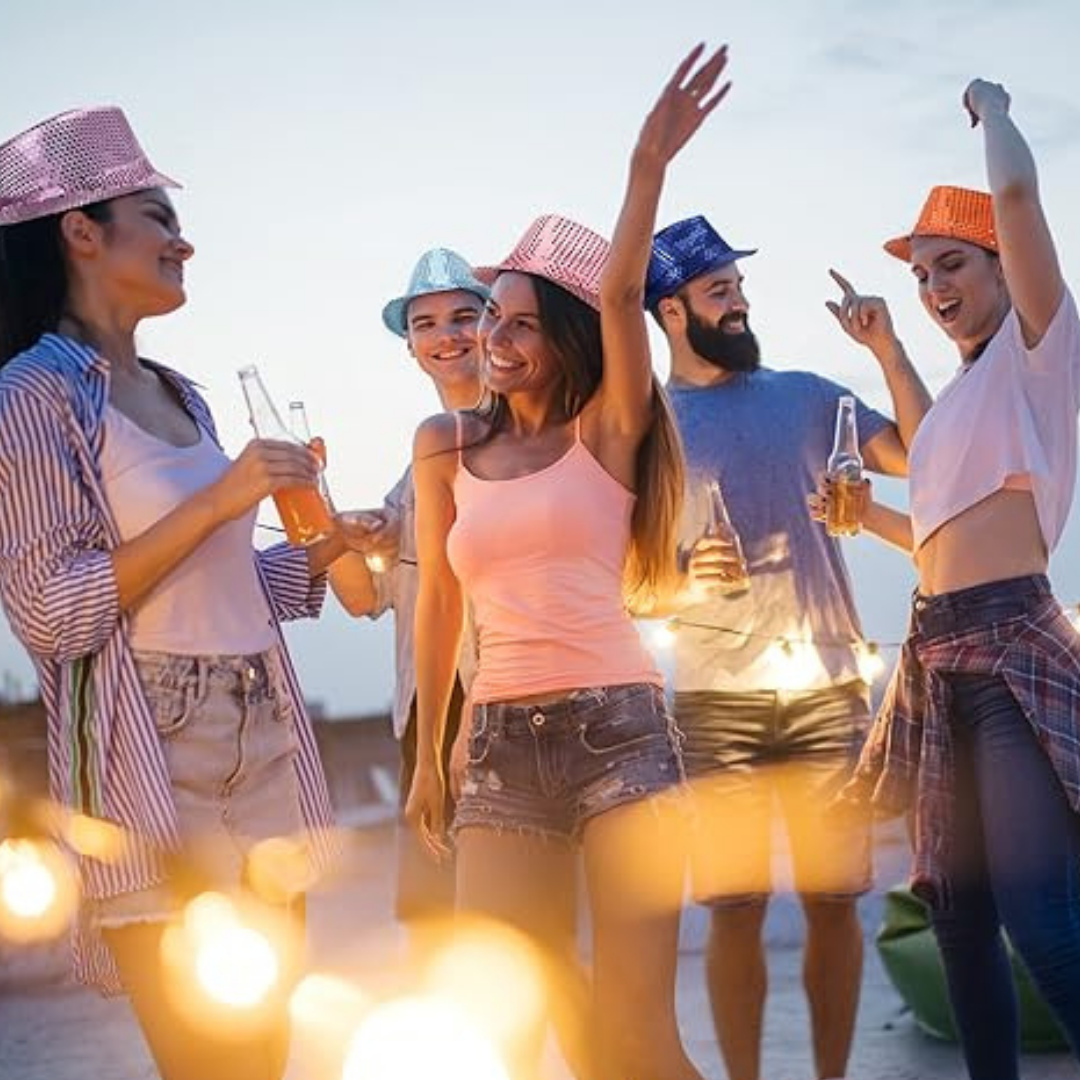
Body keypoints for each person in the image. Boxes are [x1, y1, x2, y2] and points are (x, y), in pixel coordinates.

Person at [0, 106, 372, 1080]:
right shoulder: (32, 397)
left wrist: (331, 542)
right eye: (157, 216)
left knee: (272, 1056)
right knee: (214, 1063)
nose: (183, 240)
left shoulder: (182, 391)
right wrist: (221, 497)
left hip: (263, 730)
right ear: (80, 229)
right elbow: (53, 611)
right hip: (159, 749)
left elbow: (224, 581)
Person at [405, 44, 729, 1080]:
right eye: (490, 316)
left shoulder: (608, 431)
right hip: (498, 742)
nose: (495, 338)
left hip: (619, 734)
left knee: (636, 1035)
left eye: (520, 323)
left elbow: (626, 285)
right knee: (517, 1006)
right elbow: (439, 607)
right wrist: (430, 752)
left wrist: (647, 162)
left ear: (568, 341)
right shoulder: (443, 447)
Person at [817, 80, 1080, 1080]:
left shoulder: (1041, 355)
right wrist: (885, 352)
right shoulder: (972, 389)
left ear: (1006, 265)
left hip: (1013, 651)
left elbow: (1017, 200)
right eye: (924, 271)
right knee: (959, 917)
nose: (933, 285)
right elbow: (936, 518)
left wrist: (996, 110)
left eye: (952, 264)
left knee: (1040, 919)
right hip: (940, 656)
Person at [644, 213, 927, 1080]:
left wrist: (885, 348)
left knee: (835, 902)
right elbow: (624, 572)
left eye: (739, 288)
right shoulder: (647, 427)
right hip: (710, 699)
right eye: (718, 291)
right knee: (733, 907)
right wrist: (683, 569)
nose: (739, 304)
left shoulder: (808, 396)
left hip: (828, 687)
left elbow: (925, 456)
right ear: (671, 313)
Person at [329, 247, 487, 939]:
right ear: (411, 346)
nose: (445, 336)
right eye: (425, 324)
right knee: (432, 922)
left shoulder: (529, 438)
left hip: (507, 703)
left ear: (498, 324)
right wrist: (326, 514)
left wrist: (472, 727)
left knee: (511, 920)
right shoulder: (415, 465)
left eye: (462, 317)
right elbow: (363, 598)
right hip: (426, 712)